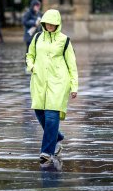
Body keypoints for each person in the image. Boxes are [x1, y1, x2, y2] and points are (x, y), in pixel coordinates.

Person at [26, 9, 78, 164]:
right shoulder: (37, 38)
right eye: (47, 22)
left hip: (59, 83)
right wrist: (32, 67)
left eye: (53, 23)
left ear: (58, 23)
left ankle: (46, 151)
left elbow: (72, 64)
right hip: (39, 81)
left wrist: (74, 86)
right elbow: (30, 55)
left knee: (51, 116)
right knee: (39, 113)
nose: (49, 25)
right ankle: (58, 137)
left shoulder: (65, 40)